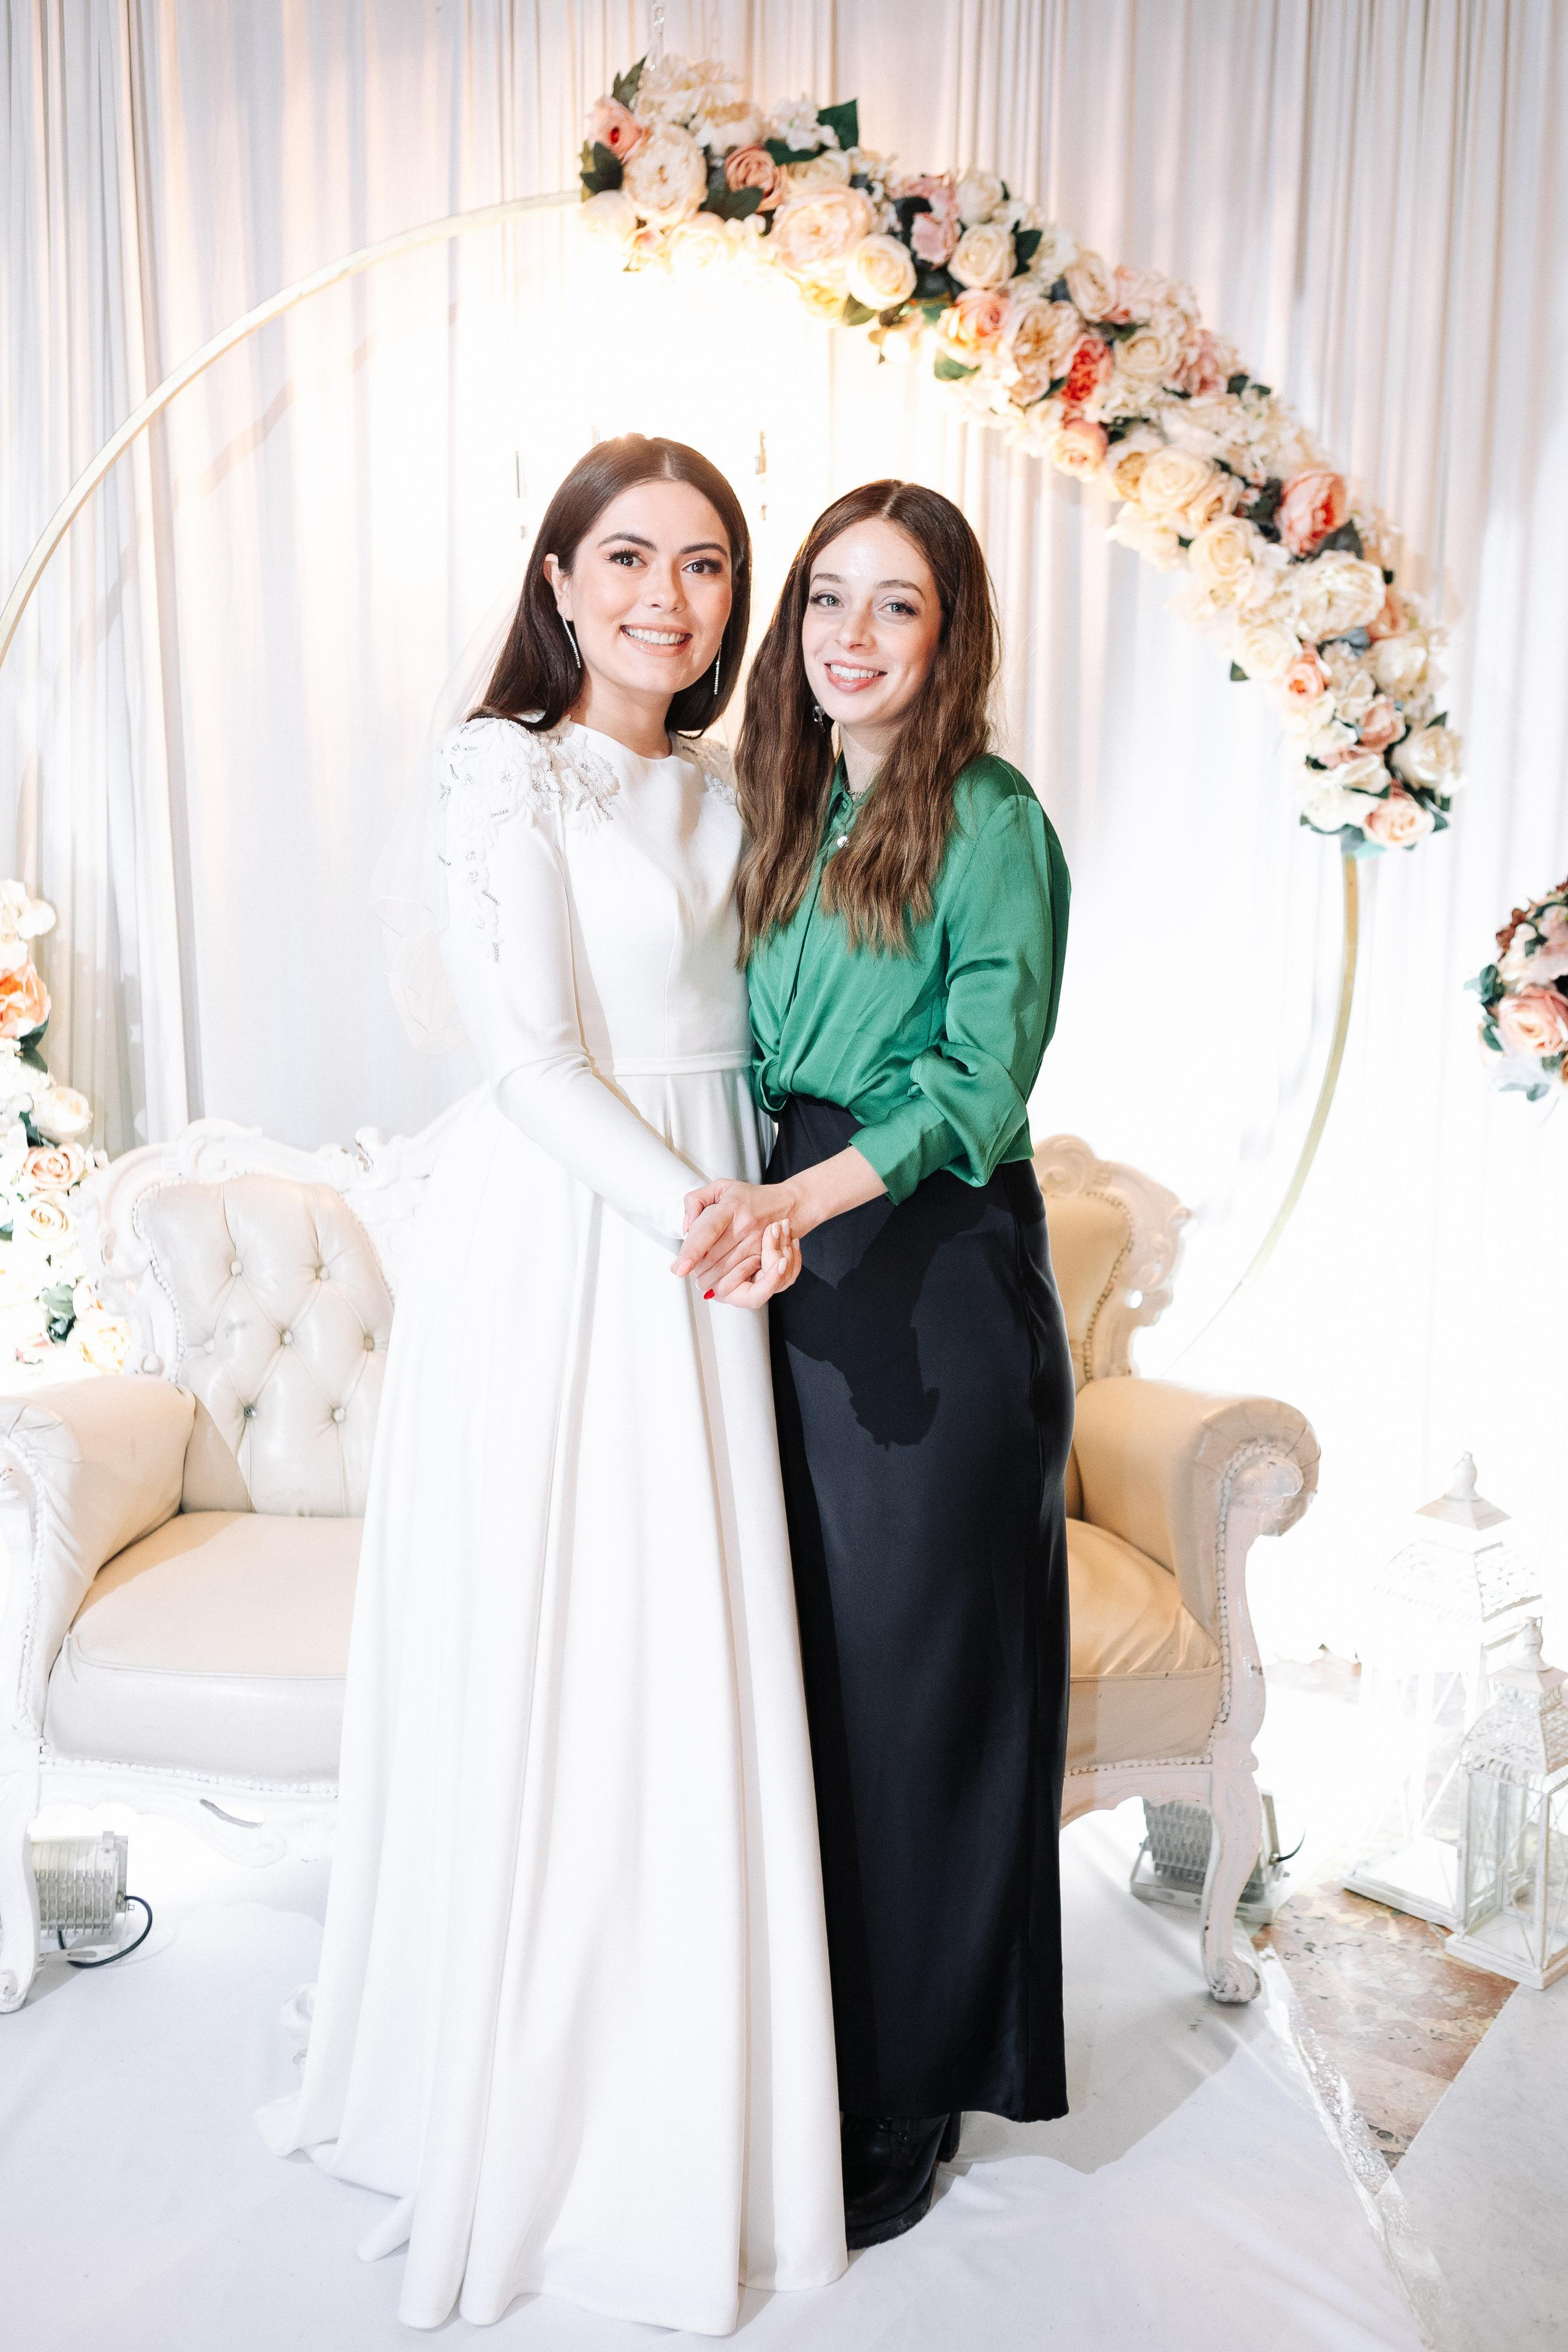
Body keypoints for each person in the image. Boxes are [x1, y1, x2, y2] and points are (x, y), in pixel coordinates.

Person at [257, 436, 846, 2334]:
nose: (668, 597)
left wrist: (774, 1208)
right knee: (568, 1639)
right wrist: (703, 1216)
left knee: (691, 1653)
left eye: (706, 565)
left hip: (724, 1226)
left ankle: (695, 2094)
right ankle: (521, 2098)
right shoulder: (497, 771)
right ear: (560, 581)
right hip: (582, 1238)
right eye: (630, 559)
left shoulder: (744, 785)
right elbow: (527, 1056)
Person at [676, 479, 1074, 2251]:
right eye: (826, 596)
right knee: (816, 1680)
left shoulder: (990, 816)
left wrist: (798, 1201)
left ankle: (913, 2090)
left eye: (894, 604)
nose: (849, 634)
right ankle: (822, 2044)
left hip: (931, 1273)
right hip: (793, 1258)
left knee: (920, 1696)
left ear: (950, 633)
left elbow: (980, 1087)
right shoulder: (778, 796)